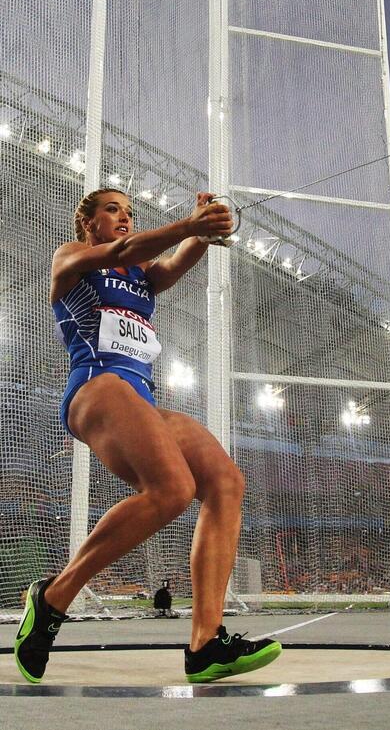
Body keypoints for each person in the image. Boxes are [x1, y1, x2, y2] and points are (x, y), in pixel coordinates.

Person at [14, 188, 282, 684]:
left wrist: (209, 226)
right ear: (89, 223)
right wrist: (189, 224)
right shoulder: (71, 257)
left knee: (225, 484)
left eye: (130, 212)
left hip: (142, 398)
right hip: (97, 386)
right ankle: (54, 597)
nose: (124, 217)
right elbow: (124, 250)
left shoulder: (142, 277)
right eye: (113, 210)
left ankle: (206, 643)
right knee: (173, 489)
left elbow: (178, 258)